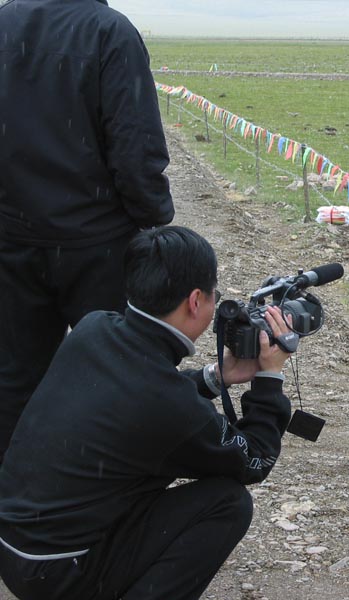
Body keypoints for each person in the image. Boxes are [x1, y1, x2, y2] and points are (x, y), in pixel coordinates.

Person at [0, 226, 295, 600]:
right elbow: (254, 459)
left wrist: (214, 377)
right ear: (194, 301)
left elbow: (139, 396)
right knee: (228, 503)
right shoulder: (168, 405)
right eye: (213, 295)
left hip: (14, 544)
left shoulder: (94, 328)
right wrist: (270, 378)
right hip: (58, 574)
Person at [0, 0, 175, 461]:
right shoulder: (109, 30)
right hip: (98, 243)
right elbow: (135, 142)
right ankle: (105, 496)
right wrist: (153, 219)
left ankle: (18, 503)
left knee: (13, 379)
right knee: (118, 373)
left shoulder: (5, 22)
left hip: (12, 239)